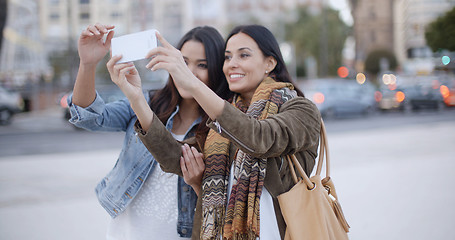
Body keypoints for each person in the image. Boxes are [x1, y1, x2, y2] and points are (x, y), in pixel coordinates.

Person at [125, 24, 322, 240]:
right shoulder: (223, 120)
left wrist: (192, 84)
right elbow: (177, 158)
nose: (231, 65)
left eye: (243, 55)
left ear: (270, 62)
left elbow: (259, 138)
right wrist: (137, 100)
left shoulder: (301, 109)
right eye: (227, 57)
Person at [67, 23, 232, 239]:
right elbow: (90, 117)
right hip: (126, 231)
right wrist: (87, 64)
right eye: (182, 62)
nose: (188, 72)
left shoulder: (223, 124)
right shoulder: (147, 102)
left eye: (202, 65)